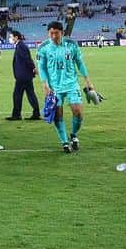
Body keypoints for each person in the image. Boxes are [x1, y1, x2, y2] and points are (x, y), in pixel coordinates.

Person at [37, 21, 99, 153]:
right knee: (58, 115)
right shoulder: (43, 48)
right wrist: (45, 85)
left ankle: (74, 135)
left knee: (78, 112)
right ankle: (64, 142)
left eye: (56, 33)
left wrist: (88, 82)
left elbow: (80, 63)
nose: (54, 36)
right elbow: (41, 68)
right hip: (54, 88)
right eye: (51, 33)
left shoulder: (71, 45)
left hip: (72, 85)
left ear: (62, 33)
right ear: (48, 33)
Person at [7, 31, 40, 120]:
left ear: (16, 37)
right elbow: (27, 59)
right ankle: (36, 113)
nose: (10, 38)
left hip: (23, 76)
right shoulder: (20, 45)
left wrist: (33, 68)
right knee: (30, 94)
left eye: (11, 37)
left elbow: (27, 59)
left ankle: (16, 115)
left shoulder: (20, 46)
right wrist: (33, 69)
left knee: (17, 95)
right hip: (25, 75)